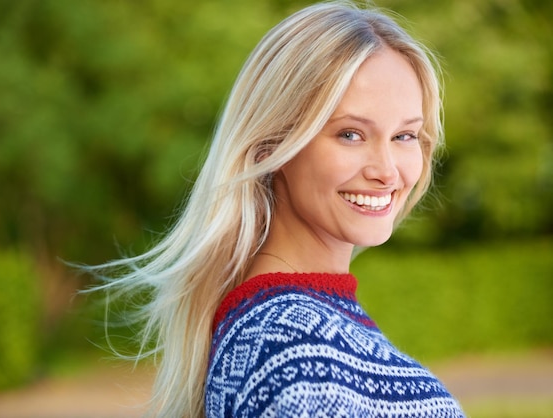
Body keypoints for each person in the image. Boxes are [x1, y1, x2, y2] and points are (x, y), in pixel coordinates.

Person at [87, 1, 465, 417]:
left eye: (405, 136)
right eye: (351, 134)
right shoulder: (294, 353)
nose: (387, 171)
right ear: (275, 146)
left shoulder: (289, 327)